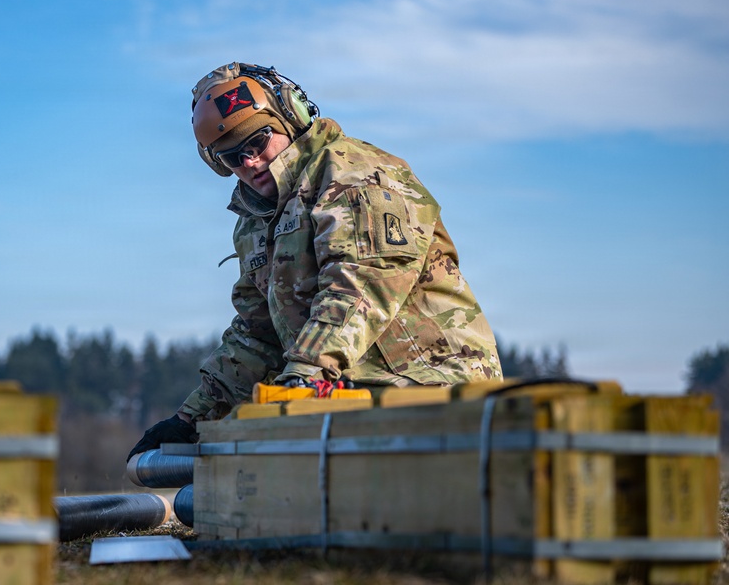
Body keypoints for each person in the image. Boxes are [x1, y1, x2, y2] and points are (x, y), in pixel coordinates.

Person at [127, 62, 501, 460]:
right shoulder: (257, 220)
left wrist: (300, 383)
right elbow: (258, 334)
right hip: (347, 399)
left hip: (433, 394)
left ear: (290, 117)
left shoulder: (356, 175)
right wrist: (192, 418)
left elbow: (358, 289)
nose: (250, 162)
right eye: (233, 157)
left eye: (258, 142)